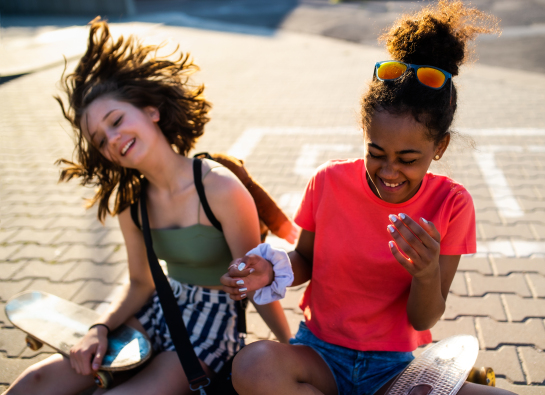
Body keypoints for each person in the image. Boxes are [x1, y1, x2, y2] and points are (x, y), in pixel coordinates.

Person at [221, 1, 516, 394]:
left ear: (439, 147)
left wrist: (425, 273)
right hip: (320, 356)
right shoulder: (328, 181)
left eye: (408, 160)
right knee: (253, 364)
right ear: (364, 133)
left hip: (395, 370)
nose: (389, 171)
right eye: (376, 153)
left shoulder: (452, 203)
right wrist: (272, 270)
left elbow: (422, 319)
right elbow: (306, 259)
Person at [4, 19, 292, 395]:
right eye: (101, 140)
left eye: (117, 120)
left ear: (151, 111)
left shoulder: (219, 188)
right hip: (159, 308)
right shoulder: (131, 205)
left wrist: (290, 347)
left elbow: (254, 284)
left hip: (212, 325)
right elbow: (140, 282)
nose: (113, 139)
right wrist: (99, 330)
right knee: (35, 382)